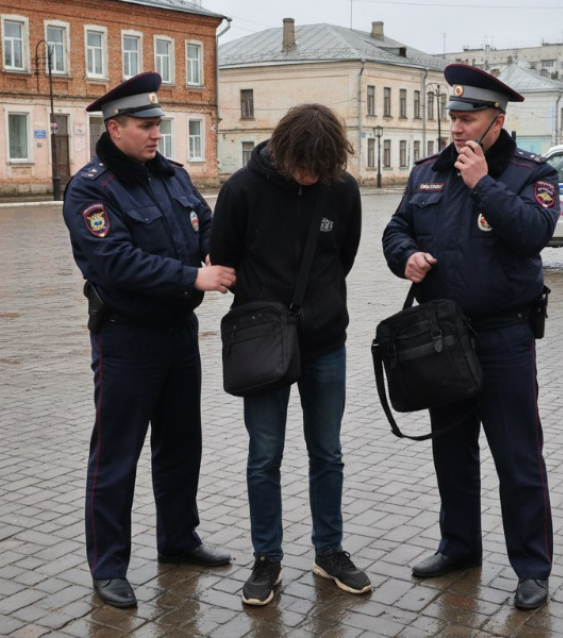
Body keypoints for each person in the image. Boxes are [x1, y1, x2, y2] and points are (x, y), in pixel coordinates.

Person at [382, 64, 559, 611]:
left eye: (469, 118)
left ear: (497, 121)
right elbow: (396, 228)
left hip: (504, 338)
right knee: (451, 454)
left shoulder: (531, 173)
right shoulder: (427, 172)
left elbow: (533, 233)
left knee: (517, 459)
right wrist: (404, 256)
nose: (457, 128)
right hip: (443, 337)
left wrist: (483, 184)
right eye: (454, 117)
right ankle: (459, 546)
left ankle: (531, 567)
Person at [63, 72, 235, 609]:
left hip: (180, 334)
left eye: (158, 124)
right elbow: (114, 262)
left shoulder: (173, 177)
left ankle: (178, 541)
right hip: (127, 338)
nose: (156, 133)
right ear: (114, 128)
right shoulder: (91, 188)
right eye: (145, 125)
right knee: (116, 457)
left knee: (182, 446)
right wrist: (192, 277)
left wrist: (220, 254)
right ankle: (109, 565)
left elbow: (206, 227)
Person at [210, 104, 369, 606]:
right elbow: (224, 260)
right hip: (263, 345)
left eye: (320, 168)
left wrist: (317, 304)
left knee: (328, 453)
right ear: (282, 150)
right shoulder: (241, 190)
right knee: (264, 456)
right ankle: (267, 559)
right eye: (303, 165)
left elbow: (343, 258)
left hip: (325, 343)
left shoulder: (340, 189)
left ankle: (330, 551)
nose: (310, 175)